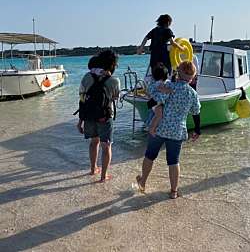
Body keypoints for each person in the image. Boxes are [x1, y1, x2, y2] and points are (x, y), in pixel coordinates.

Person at [136, 60, 201, 199]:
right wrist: (197, 130)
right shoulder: (192, 93)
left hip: (160, 128)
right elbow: (196, 112)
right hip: (177, 130)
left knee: (150, 155)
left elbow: (154, 100)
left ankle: (142, 183)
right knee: (173, 161)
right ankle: (174, 191)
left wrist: (151, 101)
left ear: (178, 73)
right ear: (193, 77)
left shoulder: (168, 86)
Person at [77, 50, 120, 182]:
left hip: (89, 116)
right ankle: (103, 176)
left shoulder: (86, 77)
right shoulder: (114, 80)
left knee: (93, 142)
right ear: (112, 65)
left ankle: (93, 169)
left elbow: (82, 98)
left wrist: (80, 121)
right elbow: (116, 97)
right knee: (106, 146)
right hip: (105, 117)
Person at [147, 63, 173, 136]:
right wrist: (168, 90)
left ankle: (152, 127)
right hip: (156, 102)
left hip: (153, 102)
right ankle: (152, 129)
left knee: (157, 115)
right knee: (159, 116)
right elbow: (164, 90)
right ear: (164, 75)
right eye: (168, 74)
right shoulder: (161, 83)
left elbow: (149, 91)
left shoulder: (154, 82)